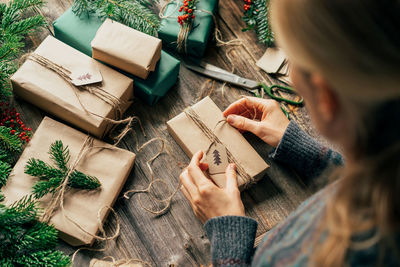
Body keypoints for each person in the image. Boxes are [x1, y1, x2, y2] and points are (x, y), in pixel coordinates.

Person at [179, 0, 400, 266]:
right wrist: (302, 148)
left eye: (290, 57)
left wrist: (226, 231)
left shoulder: (300, 256)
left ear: (325, 97)